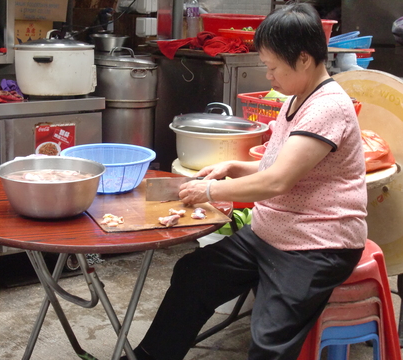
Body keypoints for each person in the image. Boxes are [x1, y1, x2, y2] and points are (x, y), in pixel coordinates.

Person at [122, 3, 367, 360]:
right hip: (271, 234)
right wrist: (234, 167)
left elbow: (278, 182)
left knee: (269, 343)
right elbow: (277, 166)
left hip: (316, 244)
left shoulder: (328, 107)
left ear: (302, 59)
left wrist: (209, 190)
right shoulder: (297, 97)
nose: (268, 77)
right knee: (193, 275)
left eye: (272, 67)